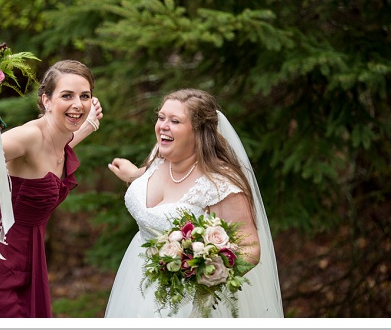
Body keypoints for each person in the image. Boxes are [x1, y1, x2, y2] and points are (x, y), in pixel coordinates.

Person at [105, 88, 283, 318]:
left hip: (187, 298)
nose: (163, 126)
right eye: (161, 118)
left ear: (198, 131)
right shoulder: (160, 155)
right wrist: (132, 174)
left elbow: (251, 248)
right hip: (136, 279)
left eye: (175, 121)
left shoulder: (220, 185)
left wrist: (206, 274)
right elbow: (148, 178)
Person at [0, 60, 103, 317]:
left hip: (26, 268)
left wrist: (89, 123)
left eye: (84, 96)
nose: (78, 104)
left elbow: (64, 143)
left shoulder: (59, 140)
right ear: (46, 100)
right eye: (67, 95)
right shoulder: (30, 136)